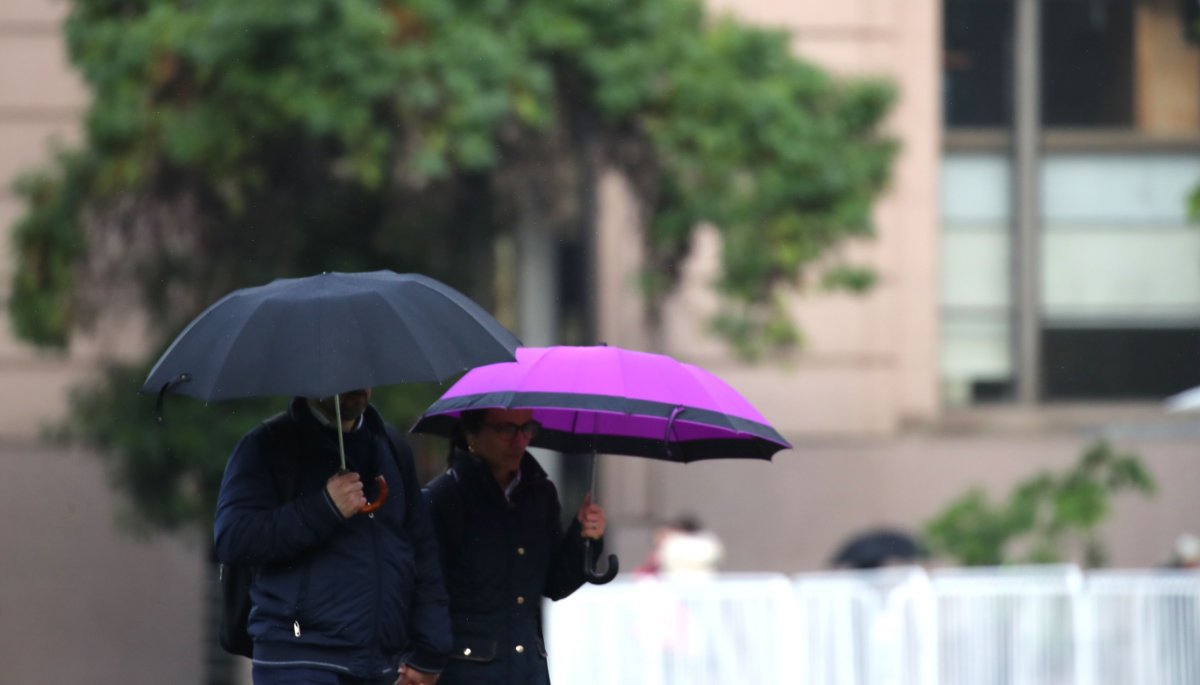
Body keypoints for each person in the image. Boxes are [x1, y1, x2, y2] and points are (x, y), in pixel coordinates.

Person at [214, 389, 451, 685]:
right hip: (298, 660)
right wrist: (325, 507)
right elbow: (234, 539)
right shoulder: (265, 445)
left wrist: (430, 650)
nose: (357, 385)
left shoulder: (391, 447)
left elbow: (422, 553)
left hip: (379, 665)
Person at [421, 408, 606, 685]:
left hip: (528, 669)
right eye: (506, 430)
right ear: (472, 434)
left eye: (527, 428)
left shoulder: (541, 494)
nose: (520, 441)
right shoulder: (443, 498)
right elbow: (425, 592)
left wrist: (584, 537)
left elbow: (554, 584)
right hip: (465, 673)